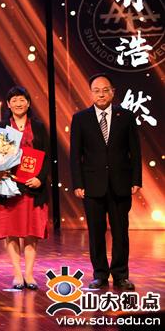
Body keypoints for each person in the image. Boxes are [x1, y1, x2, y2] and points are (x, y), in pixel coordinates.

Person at [70, 73, 141, 291]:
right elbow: (75, 155)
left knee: (120, 232)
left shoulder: (126, 116)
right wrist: (78, 183)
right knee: (96, 232)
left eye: (105, 90)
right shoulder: (80, 118)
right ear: (91, 93)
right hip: (92, 185)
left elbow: (135, 151)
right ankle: (100, 274)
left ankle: (120, 275)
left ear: (112, 92)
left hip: (120, 183)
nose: (101, 94)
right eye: (96, 91)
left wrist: (136, 179)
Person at [0, 86, 50, 290]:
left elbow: (48, 157)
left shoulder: (39, 127)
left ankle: (29, 275)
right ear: (8, 104)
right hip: (9, 187)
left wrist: (40, 179)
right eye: (14, 100)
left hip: (33, 187)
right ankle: (17, 274)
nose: (18, 103)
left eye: (22, 99)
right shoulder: (0, 127)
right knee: (12, 231)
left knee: (32, 232)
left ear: (28, 102)